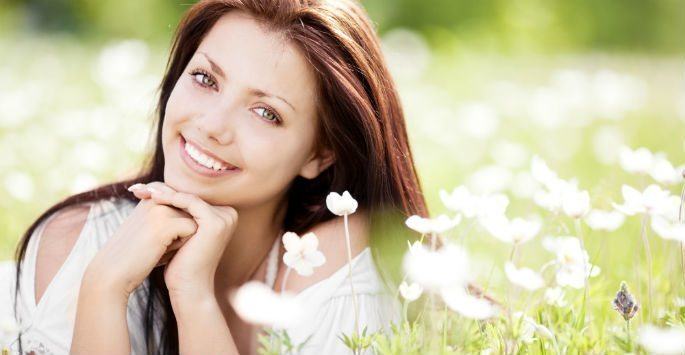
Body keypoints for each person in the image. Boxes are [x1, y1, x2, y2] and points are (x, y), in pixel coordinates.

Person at [2, 0, 429, 353]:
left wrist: (194, 297)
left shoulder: (336, 270)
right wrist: (104, 289)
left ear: (319, 155)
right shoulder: (77, 243)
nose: (212, 126)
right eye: (205, 79)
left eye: (266, 112)